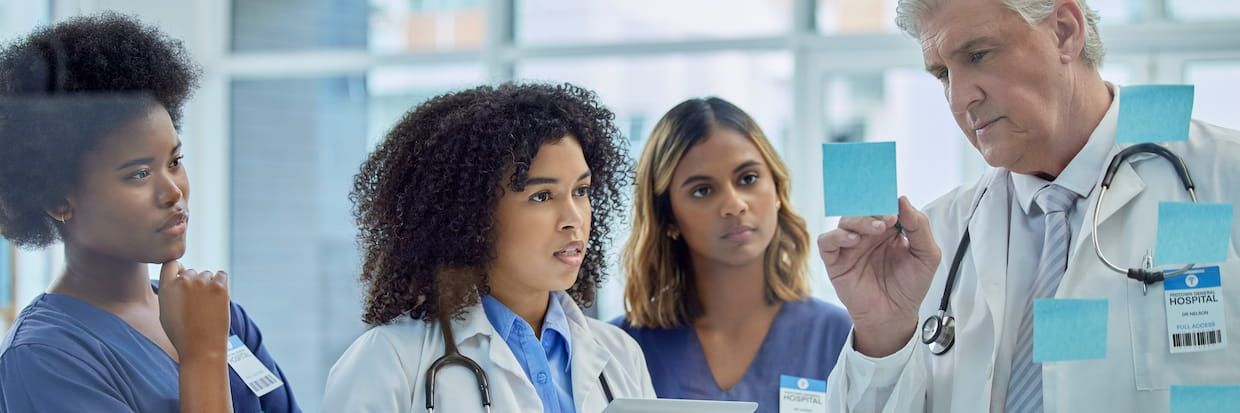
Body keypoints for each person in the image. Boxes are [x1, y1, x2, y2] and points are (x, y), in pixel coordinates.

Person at [818, 0, 1240, 411]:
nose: (960, 98)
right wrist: (882, 336)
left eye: (978, 54)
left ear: (1064, 32)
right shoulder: (937, 239)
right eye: (943, 74)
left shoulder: (1220, 177)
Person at [0, 13, 299, 413]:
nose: (173, 190)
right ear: (58, 201)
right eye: (139, 174)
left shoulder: (218, 314)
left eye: (175, 161)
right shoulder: (43, 357)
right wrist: (202, 358)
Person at [321, 83, 655, 412]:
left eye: (581, 191)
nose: (573, 218)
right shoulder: (388, 361)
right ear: (472, 213)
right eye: (542, 196)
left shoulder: (620, 355)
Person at [614, 97, 851, 412]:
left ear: (778, 191)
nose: (734, 204)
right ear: (668, 218)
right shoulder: (619, 348)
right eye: (703, 190)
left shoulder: (838, 335)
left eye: (748, 179)